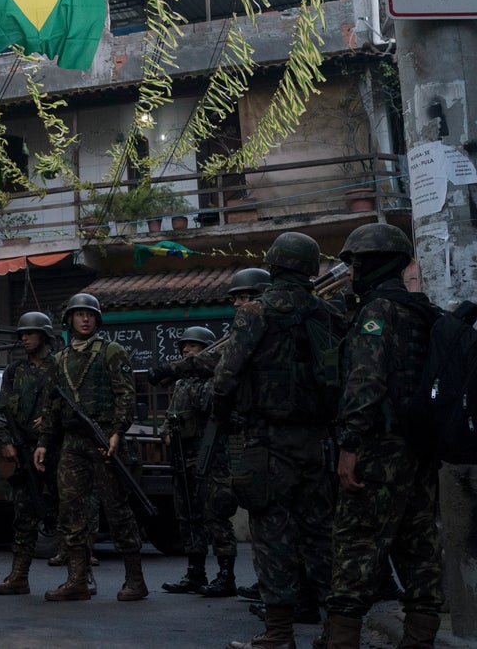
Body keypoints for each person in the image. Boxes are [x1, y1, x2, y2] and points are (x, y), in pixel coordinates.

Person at [212, 231, 344, 649]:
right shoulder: (325, 312)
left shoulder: (255, 313)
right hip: (318, 442)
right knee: (321, 536)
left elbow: (226, 374)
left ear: (274, 264)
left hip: (267, 442)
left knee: (272, 538)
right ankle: (338, 634)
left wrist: (222, 408)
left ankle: (279, 634)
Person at [322, 224, 444, 648]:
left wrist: (349, 445)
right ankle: (419, 639)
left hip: (379, 448)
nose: (352, 272)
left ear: (374, 264)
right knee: (419, 548)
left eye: (356, 263)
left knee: (356, 546)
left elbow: (366, 382)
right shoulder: (422, 310)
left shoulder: (377, 312)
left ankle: (340, 640)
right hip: (420, 448)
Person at [33, 293, 147, 603]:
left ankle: (135, 580)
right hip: (72, 443)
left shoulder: (111, 351)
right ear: (69, 319)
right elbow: (51, 406)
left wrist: (117, 432)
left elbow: (126, 395)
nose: (85, 319)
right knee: (70, 510)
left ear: (97, 319)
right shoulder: (59, 359)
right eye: (79, 314)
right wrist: (44, 443)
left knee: (118, 509)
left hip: (103, 441)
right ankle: (77, 580)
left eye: (90, 314)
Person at [152, 326, 238, 597]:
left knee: (216, 516)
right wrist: (166, 431)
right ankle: (195, 573)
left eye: (194, 346)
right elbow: (172, 416)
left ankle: (226, 575)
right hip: (183, 459)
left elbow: (214, 409)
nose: (187, 351)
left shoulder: (215, 381)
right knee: (188, 516)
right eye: (184, 347)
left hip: (210, 458)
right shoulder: (180, 385)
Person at [0, 311, 61, 596]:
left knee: (68, 513)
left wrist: (50, 420)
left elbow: (72, 405)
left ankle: (81, 575)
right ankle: (19, 576)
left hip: (56, 450)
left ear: (43, 335)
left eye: (29, 334)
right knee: (24, 515)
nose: (24, 338)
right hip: (23, 450)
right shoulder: (14, 371)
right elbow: (2, 411)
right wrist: (6, 441)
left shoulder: (58, 366)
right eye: (21, 334)